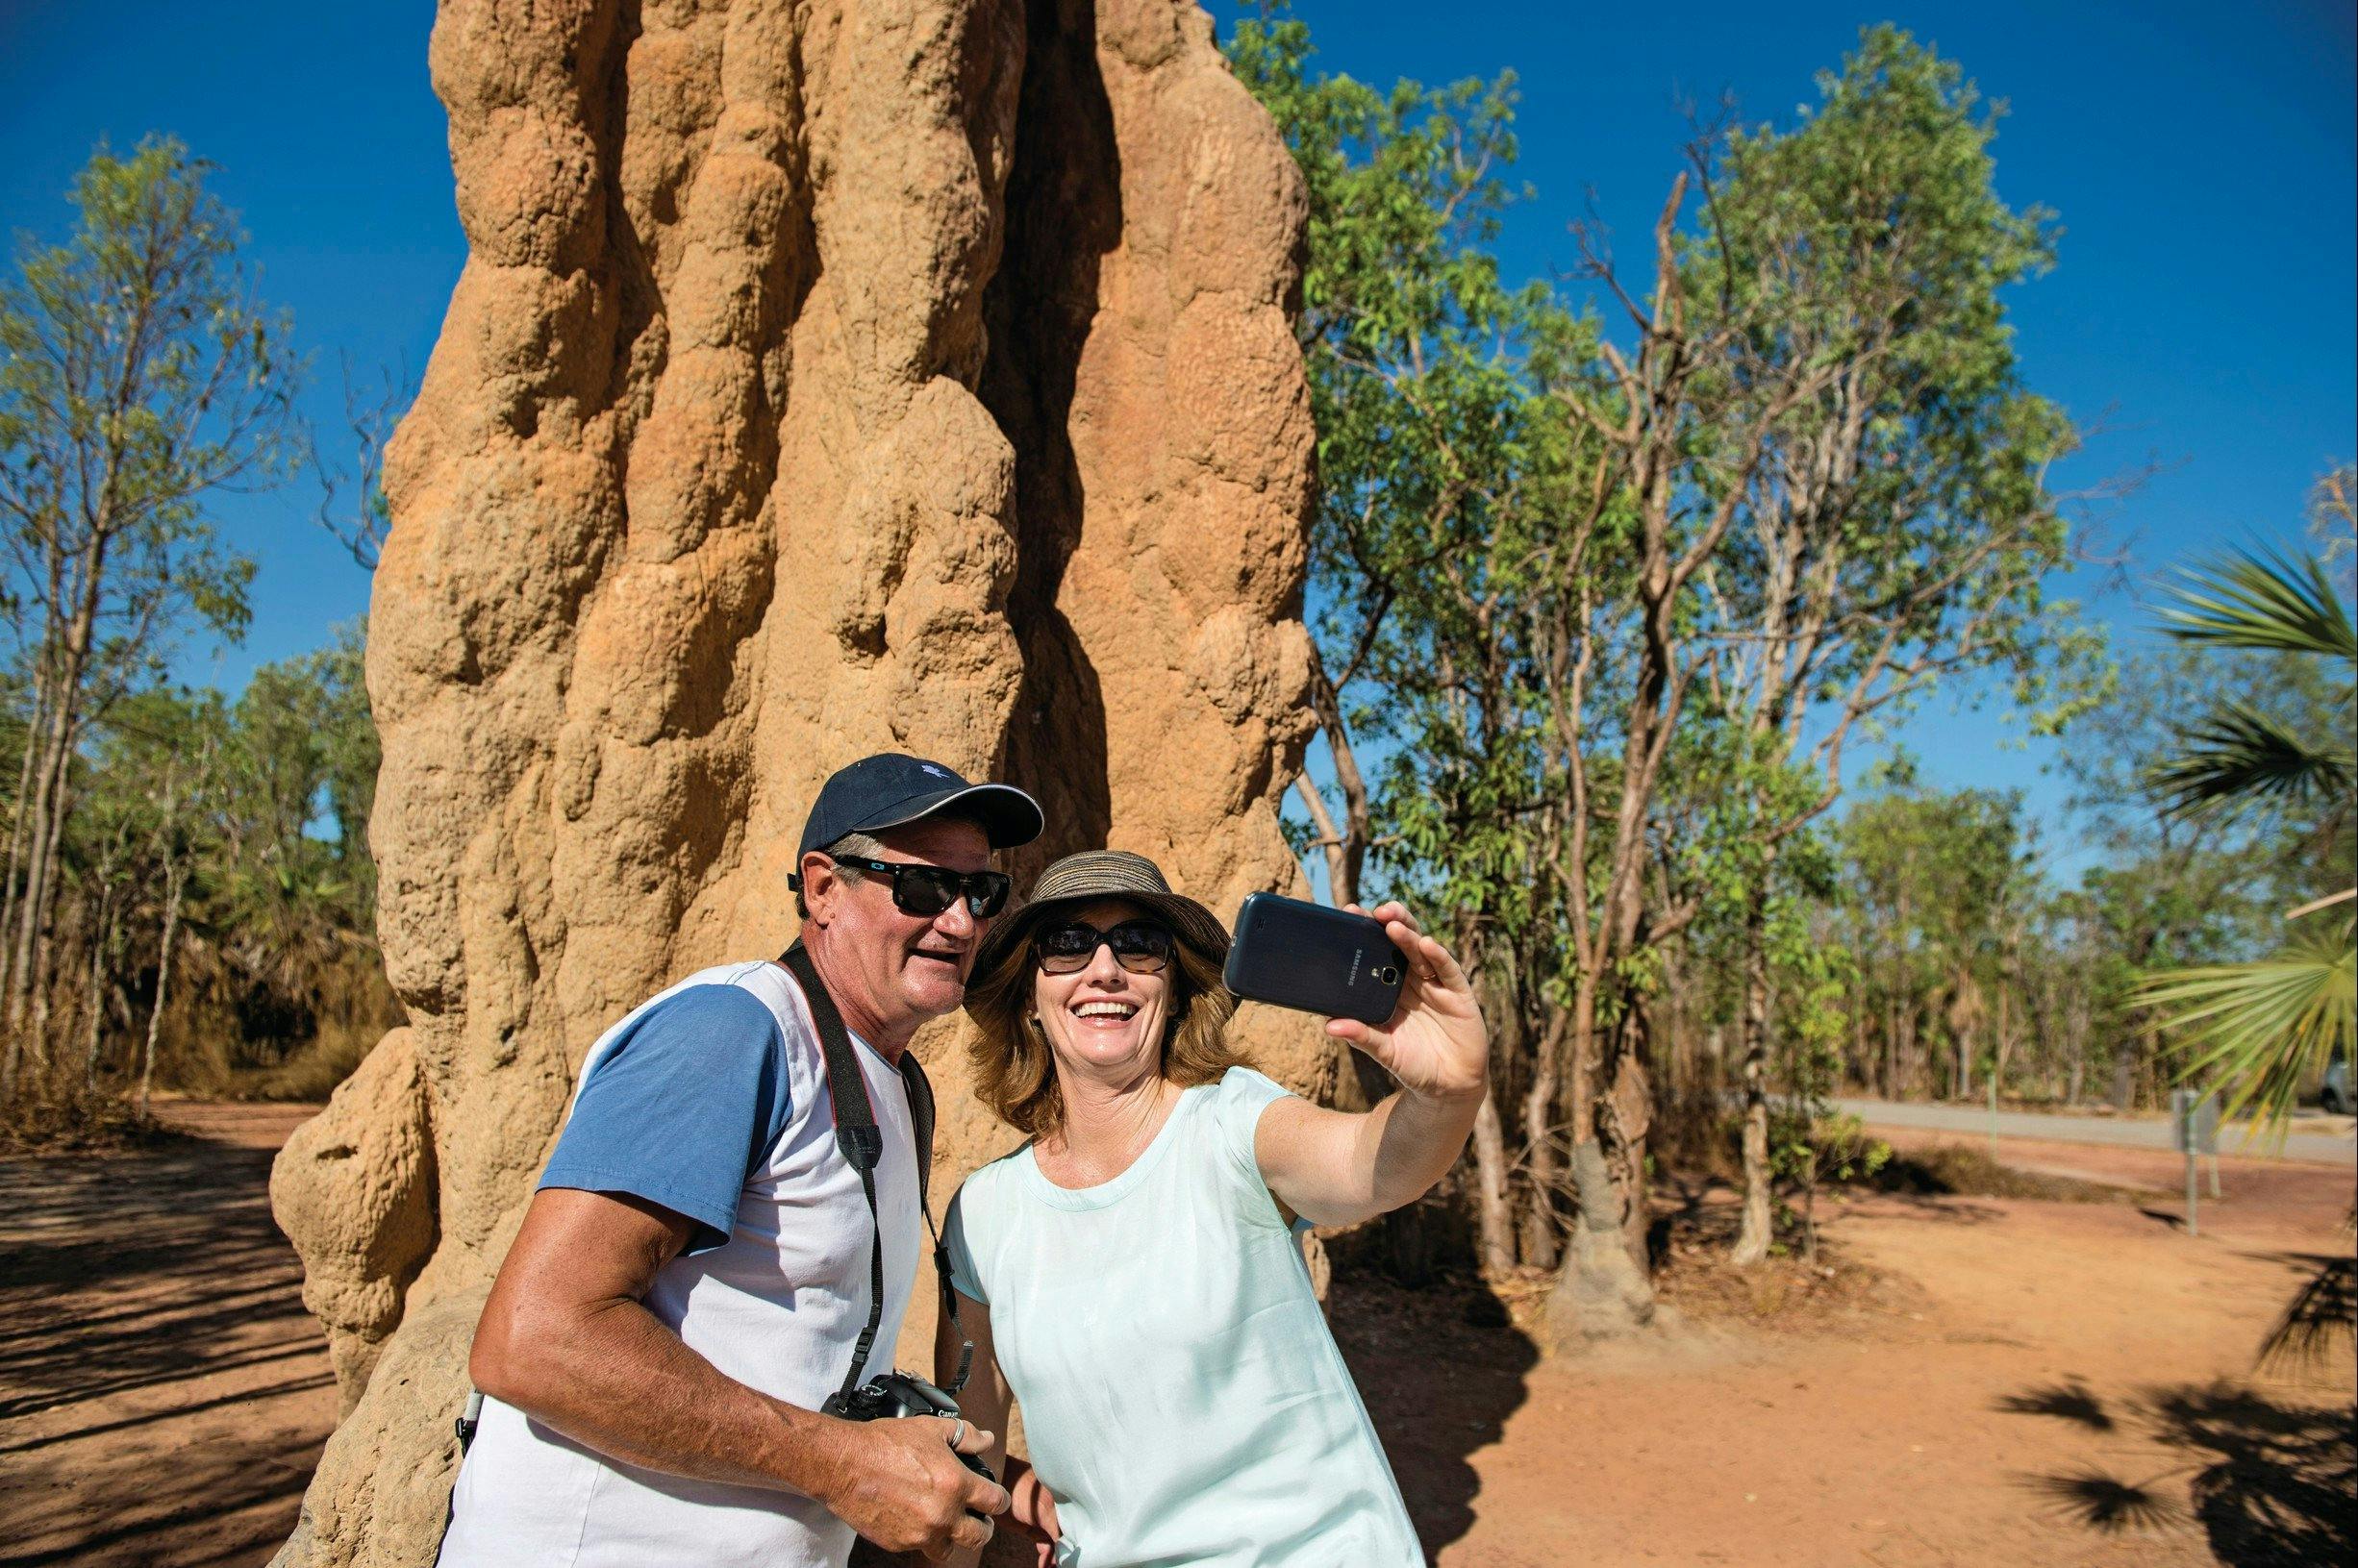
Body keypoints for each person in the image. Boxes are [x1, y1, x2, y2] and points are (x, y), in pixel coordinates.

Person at [438, 753, 1039, 1568]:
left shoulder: (893, 1080)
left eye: (982, 893)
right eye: (924, 888)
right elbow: (534, 1336)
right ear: (823, 888)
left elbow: (785, 1340)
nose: (962, 922)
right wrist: (843, 1464)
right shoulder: (731, 1031)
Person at [937, 851, 1490, 1566]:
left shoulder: (1232, 1119)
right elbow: (964, 1469)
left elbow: (1371, 1166)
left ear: (1173, 989)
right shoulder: (985, 1214)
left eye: (1140, 945)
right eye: (1067, 944)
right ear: (1028, 1000)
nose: (1105, 968)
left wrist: (1446, 1095)